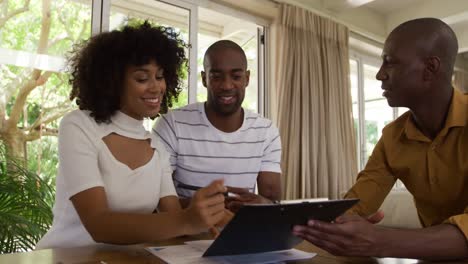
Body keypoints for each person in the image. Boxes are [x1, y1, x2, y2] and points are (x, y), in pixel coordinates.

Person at [35, 22, 227, 249]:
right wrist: (186, 220)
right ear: (112, 82)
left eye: (160, 76)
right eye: (142, 78)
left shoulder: (157, 147)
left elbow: (173, 220)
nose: (156, 88)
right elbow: (99, 224)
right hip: (64, 258)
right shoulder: (79, 126)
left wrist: (210, 216)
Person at [293, 18, 468, 261]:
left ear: (430, 68)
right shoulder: (392, 137)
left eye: (390, 62)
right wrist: (290, 220)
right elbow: (357, 205)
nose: (379, 74)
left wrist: (381, 241)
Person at [153, 40, 282, 211]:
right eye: (216, 77)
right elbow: (156, 200)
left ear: (247, 78)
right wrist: (214, 207)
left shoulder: (266, 131)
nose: (227, 85)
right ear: (205, 79)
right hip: (184, 234)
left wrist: (262, 204)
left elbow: (271, 200)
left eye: (236, 77)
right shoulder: (172, 125)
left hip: (241, 233)